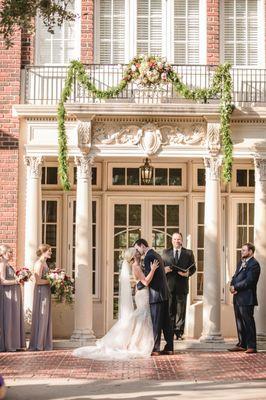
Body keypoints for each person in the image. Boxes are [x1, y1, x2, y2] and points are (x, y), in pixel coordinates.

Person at [73, 247, 159, 360]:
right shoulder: (136, 266)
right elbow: (146, 282)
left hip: (142, 293)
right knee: (143, 316)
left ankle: (136, 342)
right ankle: (136, 344)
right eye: (136, 252)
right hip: (143, 294)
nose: (139, 253)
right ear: (134, 256)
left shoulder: (137, 265)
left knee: (142, 317)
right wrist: (153, 270)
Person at [134, 238, 174, 355]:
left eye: (137, 248)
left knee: (156, 322)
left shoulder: (148, 256)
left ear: (142, 245)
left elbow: (147, 278)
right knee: (166, 322)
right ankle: (169, 347)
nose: (137, 251)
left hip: (156, 294)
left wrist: (139, 285)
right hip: (164, 293)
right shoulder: (157, 254)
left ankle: (156, 348)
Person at [228, 242, 261, 354]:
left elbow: (250, 281)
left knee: (248, 321)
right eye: (241, 250)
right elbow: (235, 276)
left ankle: (252, 346)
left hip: (247, 298)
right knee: (239, 322)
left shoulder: (254, 264)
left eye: (244, 250)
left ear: (250, 252)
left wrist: (236, 286)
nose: (241, 252)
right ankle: (242, 344)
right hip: (237, 297)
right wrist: (232, 286)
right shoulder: (241, 262)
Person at [163, 232, 196, 340]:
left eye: (179, 239)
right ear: (172, 241)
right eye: (175, 239)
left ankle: (179, 333)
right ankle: (170, 332)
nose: (177, 241)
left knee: (181, 311)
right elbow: (160, 268)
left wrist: (187, 273)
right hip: (169, 286)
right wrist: (165, 270)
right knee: (170, 310)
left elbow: (193, 268)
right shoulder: (165, 252)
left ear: (182, 240)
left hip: (182, 286)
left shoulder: (188, 253)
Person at [0, 244, 25, 352]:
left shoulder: (8, 264)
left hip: (13, 294)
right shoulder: (2, 265)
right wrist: (16, 281)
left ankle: (14, 344)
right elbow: (2, 281)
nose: (11, 254)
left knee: (14, 318)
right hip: (7, 295)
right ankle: (8, 344)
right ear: (3, 253)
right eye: (10, 252)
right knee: (8, 318)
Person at [29, 244, 53, 351]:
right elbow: (38, 281)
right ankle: (38, 344)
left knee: (46, 316)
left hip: (46, 291)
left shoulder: (44, 263)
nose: (51, 252)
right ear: (43, 252)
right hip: (41, 291)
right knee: (42, 315)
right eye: (49, 251)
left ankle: (43, 342)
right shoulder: (39, 263)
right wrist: (53, 280)